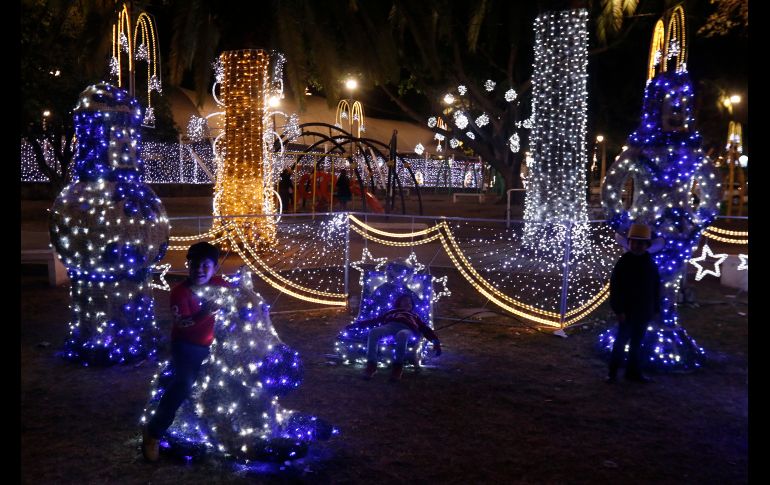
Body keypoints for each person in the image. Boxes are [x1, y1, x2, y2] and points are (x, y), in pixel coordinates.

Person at [142, 242, 228, 462]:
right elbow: (183, 324)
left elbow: (238, 297)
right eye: (194, 264)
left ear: (215, 268)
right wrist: (204, 312)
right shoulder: (180, 293)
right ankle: (153, 433)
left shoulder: (220, 285)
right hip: (188, 346)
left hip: (215, 344)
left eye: (205, 265)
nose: (199, 269)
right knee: (183, 384)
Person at [607, 223, 661, 384]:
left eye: (641, 243)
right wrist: (619, 310)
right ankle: (612, 373)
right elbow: (616, 288)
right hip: (627, 312)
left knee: (637, 344)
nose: (638, 246)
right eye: (635, 242)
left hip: (643, 311)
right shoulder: (623, 263)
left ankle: (633, 372)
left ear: (647, 245)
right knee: (621, 342)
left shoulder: (650, 263)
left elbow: (655, 287)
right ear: (629, 243)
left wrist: (655, 308)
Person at [360, 293, 441, 382]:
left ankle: (397, 369)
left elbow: (425, 329)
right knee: (374, 332)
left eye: (410, 302)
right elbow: (375, 321)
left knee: (402, 335)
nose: (408, 303)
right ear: (399, 303)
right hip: (389, 326)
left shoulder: (414, 316)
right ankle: (371, 366)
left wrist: (435, 341)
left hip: (407, 329)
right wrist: (357, 325)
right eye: (405, 301)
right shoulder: (392, 312)